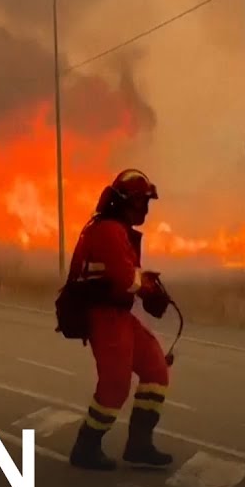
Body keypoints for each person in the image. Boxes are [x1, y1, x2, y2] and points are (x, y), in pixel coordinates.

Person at [62, 169, 175, 471]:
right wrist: (147, 286)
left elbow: (125, 275)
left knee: (156, 369)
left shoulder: (117, 230)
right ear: (127, 203)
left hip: (120, 314)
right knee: (115, 386)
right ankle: (86, 446)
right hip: (105, 316)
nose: (146, 210)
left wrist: (145, 281)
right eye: (142, 203)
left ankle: (139, 444)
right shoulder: (109, 230)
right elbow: (126, 278)